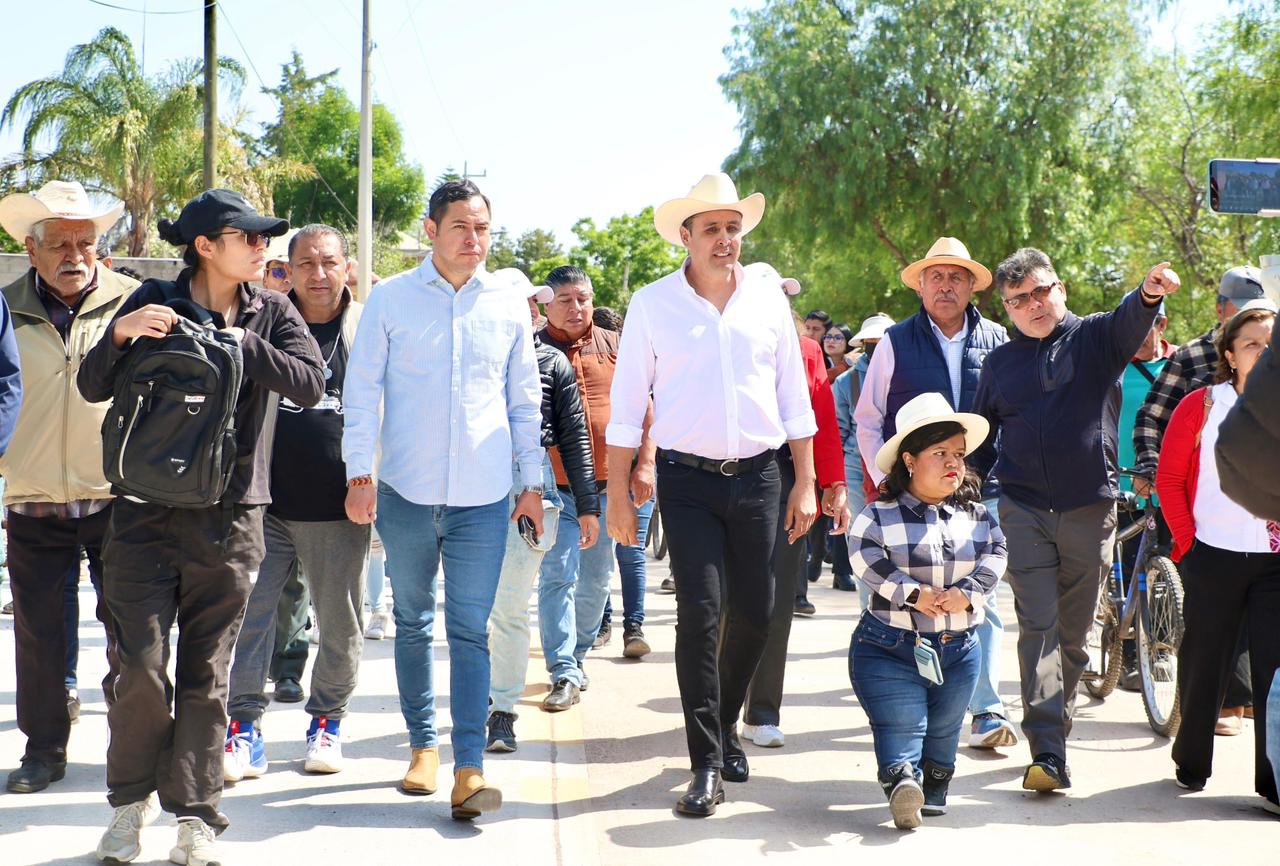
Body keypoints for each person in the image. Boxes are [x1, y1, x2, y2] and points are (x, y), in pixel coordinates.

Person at [77, 189, 325, 865]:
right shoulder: (153, 298)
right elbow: (93, 385)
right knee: (139, 668)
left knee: (207, 675)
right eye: (250, 237)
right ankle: (129, 806)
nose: (263, 248)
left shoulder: (272, 311)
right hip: (142, 513)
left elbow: (310, 383)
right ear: (207, 246)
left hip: (232, 517)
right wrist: (123, 333)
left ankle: (195, 817)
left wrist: (244, 344)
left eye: (266, 238)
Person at [605, 172, 817, 816]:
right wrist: (618, 493)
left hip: (760, 476)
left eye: (733, 228)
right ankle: (705, 764)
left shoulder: (766, 301)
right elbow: (626, 406)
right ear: (686, 237)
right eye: (712, 229)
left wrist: (806, 481)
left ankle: (723, 725)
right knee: (700, 612)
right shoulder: (652, 304)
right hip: (686, 481)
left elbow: (793, 398)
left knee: (758, 610)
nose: (725, 239)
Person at [342, 179, 543, 821]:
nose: (474, 239)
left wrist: (532, 485)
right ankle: (422, 746)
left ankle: (469, 767)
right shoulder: (390, 299)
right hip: (404, 492)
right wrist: (359, 474)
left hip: (483, 498)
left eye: (483, 228)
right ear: (431, 230)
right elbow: (361, 392)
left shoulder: (507, 304)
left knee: (469, 630)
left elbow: (523, 402)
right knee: (411, 622)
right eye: (461, 226)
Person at [972, 248, 1177, 791]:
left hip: (1090, 507)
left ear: (1059, 289)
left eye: (1041, 292)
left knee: (1072, 633)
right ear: (1008, 310)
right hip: (1023, 509)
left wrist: (1148, 293)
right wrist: (966, 484)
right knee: (1038, 627)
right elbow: (982, 436)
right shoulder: (1000, 364)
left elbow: (1129, 319)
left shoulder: (1095, 338)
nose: (1033, 305)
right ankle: (1047, 750)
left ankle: (1052, 734)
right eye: (1019, 299)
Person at [853, 237, 1014, 752]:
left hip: (979, 489)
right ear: (920, 286)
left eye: (956, 278)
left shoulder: (998, 339)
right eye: (936, 277)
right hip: (908, 494)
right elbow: (868, 418)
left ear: (972, 287)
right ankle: (909, 703)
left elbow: (1011, 414)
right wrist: (886, 480)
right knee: (902, 596)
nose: (946, 286)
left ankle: (986, 710)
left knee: (980, 596)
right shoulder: (895, 342)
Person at [223, 224, 370, 780]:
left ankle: (327, 722)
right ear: (288, 270)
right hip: (263, 504)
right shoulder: (267, 319)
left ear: (347, 267)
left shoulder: (367, 325)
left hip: (339, 504)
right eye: (305, 263)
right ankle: (243, 727)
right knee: (247, 619)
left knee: (340, 624)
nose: (318, 274)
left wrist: (370, 478)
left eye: (329, 262)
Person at [0, 182, 124, 797]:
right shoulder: (4, 307)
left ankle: (137, 747)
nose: (74, 256)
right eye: (59, 245)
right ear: (31, 249)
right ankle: (44, 750)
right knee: (39, 635)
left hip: (118, 496)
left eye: (85, 243)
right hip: (32, 494)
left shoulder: (132, 301)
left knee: (132, 632)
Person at [848, 392, 1004, 829]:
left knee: (945, 728)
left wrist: (969, 592)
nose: (954, 462)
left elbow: (997, 554)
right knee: (903, 723)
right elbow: (863, 555)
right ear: (910, 460)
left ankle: (933, 785)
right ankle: (902, 781)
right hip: (888, 645)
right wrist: (913, 594)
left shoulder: (976, 515)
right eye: (940, 453)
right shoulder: (879, 515)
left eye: (959, 454)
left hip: (960, 648)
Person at [1156, 301, 1280, 814]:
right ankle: (1192, 762)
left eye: (1272, 344)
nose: (1264, 352)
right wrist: (1188, 543)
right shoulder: (1202, 406)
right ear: (1230, 354)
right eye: (1252, 344)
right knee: (1204, 663)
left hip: (1275, 562)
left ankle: (1274, 782)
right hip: (1213, 554)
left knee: (1275, 675)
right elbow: (1169, 480)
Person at [1134, 266, 1272, 729]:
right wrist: (1151, 468)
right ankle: (1224, 703)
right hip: (1198, 499)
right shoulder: (1192, 357)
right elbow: (1152, 416)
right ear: (1220, 310)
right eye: (1240, 308)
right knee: (1214, 611)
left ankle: (1245, 699)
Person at [486, 270, 598, 753]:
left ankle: (503, 709)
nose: (530, 310)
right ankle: (479, 699)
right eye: (524, 302)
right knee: (478, 609)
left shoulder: (551, 362)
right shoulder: (472, 358)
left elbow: (574, 436)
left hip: (535, 489)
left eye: (534, 303)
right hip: (469, 488)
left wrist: (588, 506)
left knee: (514, 604)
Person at [743, 264, 848, 748]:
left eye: (782, 298)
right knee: (727, 601)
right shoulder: (723, 345)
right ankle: (719, 705)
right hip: (729, 475)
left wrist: (831, 483)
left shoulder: (807, 350)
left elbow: (821, 419)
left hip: (789, 476)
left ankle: (762, 712)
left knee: (779, 597)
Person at [538, 265, 657, 680]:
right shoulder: (533, 350)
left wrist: (645, 464)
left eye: (583, 299)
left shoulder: (618, 346)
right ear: (546, 305)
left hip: (610, 484)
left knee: (595, 579)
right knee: (557, 576)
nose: (576, 308)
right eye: (565, 300)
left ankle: (578, 655)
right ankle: (562, 667)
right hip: (554, 487)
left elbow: (647, 410)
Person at [1114, 302, 1173, 691]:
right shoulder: (1113, 368)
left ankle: (1162, 648)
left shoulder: (1177, 367)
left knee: (1165, 571)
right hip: (1121, 484)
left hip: (1169, 485)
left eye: (1144, 323)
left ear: (1161, 324)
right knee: (1127, 568)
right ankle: (1130, 656)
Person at [834, 312, 894, 607]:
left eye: (882, 340)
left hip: (899, 466)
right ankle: (867, 610)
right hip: (856, 469)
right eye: (871, 341)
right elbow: (838, 431)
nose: (876, 346)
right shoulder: (847, 382)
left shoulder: (903, 374)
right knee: (861, 538)